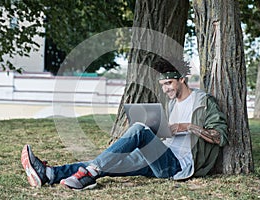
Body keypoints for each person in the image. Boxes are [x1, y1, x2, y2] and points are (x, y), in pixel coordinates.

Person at [21, 57, 228, 190]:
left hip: (177, 166)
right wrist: (160, 130)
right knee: (110, 160)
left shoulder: (203, 102)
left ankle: (90, 173)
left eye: (169, 84)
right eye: (162, 85)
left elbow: (220, 137)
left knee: (138, 130)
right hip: (158, 157)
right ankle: (49, 174)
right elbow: (170, 135)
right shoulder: (172, 104)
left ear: (182, 79)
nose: (166, 90)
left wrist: (187, 126)